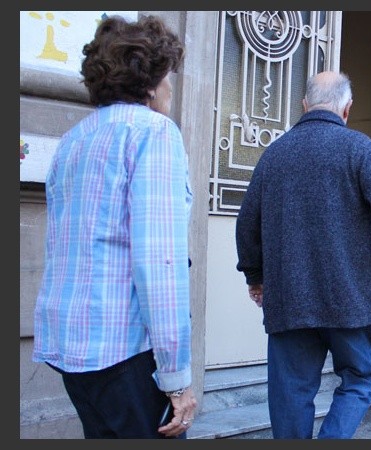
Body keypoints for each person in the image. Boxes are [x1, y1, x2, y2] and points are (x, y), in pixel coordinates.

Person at [31, 15, 197, 438]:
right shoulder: (154, 133)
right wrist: (176, 378)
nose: (171, 87)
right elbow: (159, 262)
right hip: (125, 352)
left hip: (71, 347)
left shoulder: (74, 140)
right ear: (149, 80)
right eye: (167, 76)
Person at [235, 71, 371, 439]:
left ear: (304, 106)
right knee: (361, 378)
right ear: (347, 109)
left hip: (289, 298)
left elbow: (247, 222)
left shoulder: (274, 154)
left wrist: (256, 277)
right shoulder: (359, 148)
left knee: (291, 393)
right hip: (350, 297)